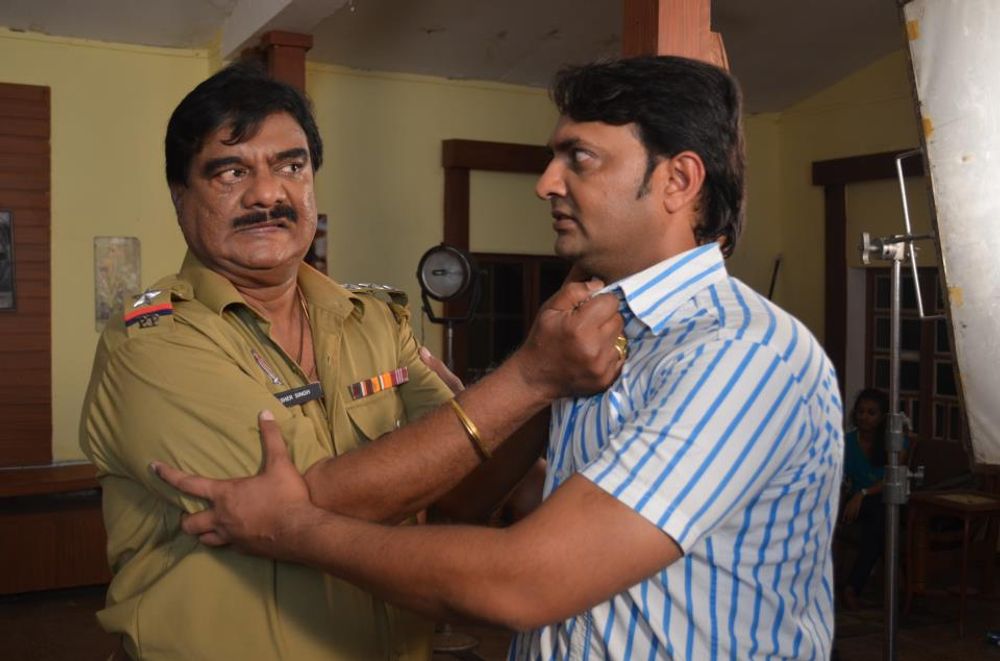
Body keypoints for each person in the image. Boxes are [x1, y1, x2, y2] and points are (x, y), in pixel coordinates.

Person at [155, 55, 845, 660]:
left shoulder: (739, 354)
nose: (546, 182)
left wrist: (296, 529)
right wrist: (533, 384)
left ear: (678, 181)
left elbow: (526, 581)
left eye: (579, 158)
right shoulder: (590, 337)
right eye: (230, 171)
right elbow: (467, 500)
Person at [79, 63, 624, 661]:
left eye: (291, 167)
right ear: (180, 196)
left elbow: (464, 491)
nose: (268, 194)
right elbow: (303, 509)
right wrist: (529, 377)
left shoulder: (373, 321)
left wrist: (549, 385)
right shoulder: (153, 344)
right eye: (231, 172)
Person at [839, 387, 900, 610]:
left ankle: (852, 587)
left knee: (880, 517)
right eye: (861, 411)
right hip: (856, 504)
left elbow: (895, 475)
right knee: (879, 519)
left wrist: (863, 494)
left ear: (882, 417)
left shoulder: (892, 441)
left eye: (871, 413)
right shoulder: (847, 442)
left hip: (886, 500)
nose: (864, 417)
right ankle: (894, 588)